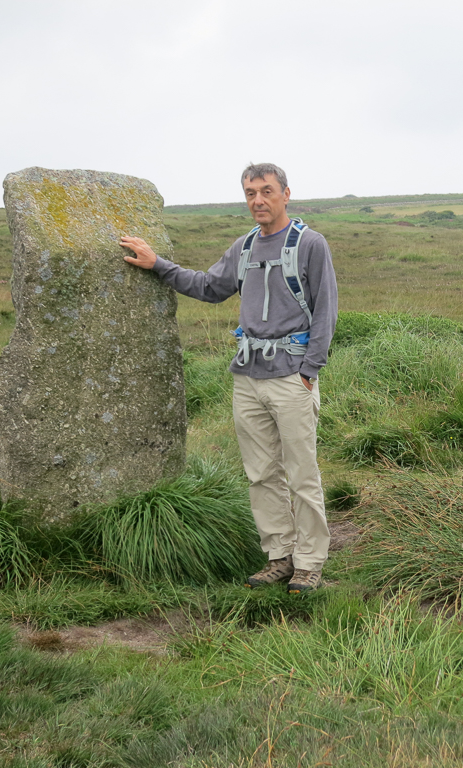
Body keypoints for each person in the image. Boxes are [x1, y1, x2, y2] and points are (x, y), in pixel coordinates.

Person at [119, 163, 338, 593]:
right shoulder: (244, 247)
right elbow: (208, 287)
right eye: (251, 192)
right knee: (260, 474)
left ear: (286, 194)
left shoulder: (311, 244)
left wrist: (310, 371)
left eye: (267, 191)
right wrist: (157, 264)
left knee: (302, 474)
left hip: (292, 377)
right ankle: (280, 556)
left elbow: (326, 309)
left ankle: (310, 562)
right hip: (248, 377)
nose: (258, 200)